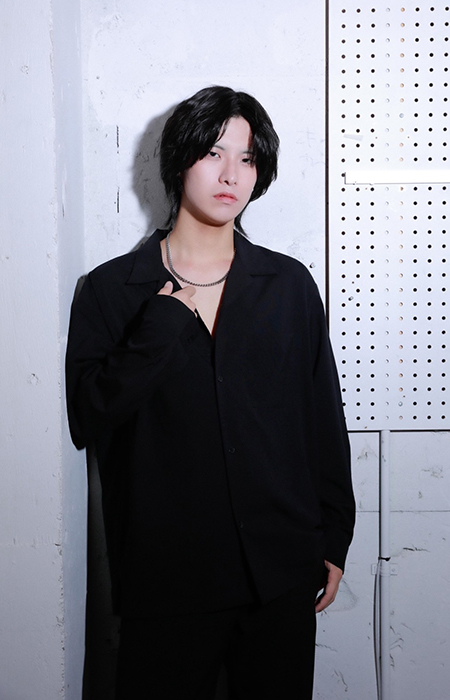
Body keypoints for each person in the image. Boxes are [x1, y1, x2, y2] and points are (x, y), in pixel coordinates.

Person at [66, 85, 355, 700]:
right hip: (168, 581)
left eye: (247, 159)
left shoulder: (288, 285)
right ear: (180, 161)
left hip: (278, 573)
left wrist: (334, 539)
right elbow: (90, 415)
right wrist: (161, 326)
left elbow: (321, 422)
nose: (231, 175)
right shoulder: (114, 290)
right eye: (213, 153)